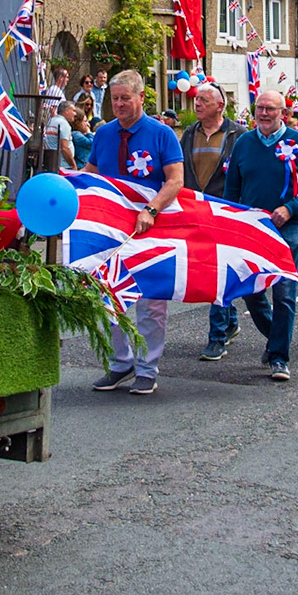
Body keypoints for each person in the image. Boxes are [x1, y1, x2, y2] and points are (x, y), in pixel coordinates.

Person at [86, 70, 186, 397]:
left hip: (151, 229)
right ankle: (120, 362)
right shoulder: (103, 134)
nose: (119, 104)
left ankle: (147, 367)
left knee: (151, 302)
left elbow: (175, 180)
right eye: (114, 99)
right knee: (105, 297)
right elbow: (92, 173)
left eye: (125, 98)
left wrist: (151, 209)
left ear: (141, 97)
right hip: (110, 230)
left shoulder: (161, 134)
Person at [224, 90, 298, 381]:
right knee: (251, 292)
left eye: (270, 109)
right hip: (252, 227)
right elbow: (231, 191)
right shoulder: (243, 143)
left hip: (288, 225)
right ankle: (276, 338)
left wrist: (290, 208)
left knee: (284, 293)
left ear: (283, 113)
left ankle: (280, 357)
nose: (264, 114)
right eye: (259, 109)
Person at [181, 84, 249, 362]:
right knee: (207, 271)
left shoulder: (238, 136)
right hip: (197, 211)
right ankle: (230, 320)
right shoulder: (188, 134)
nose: (197, 104)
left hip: (227, 212)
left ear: (220, 106)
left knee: (218, 271)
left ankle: (217, 337)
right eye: (197, 99)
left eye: (204, 100)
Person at [43, 100, 78, 170]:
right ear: (67, 111)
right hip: (63, 165)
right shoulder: (64, 124)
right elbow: (64, 148)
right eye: (73, 111)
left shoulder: (51, 121)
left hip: (51, 162)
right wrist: (73, 164)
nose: (75, 114)